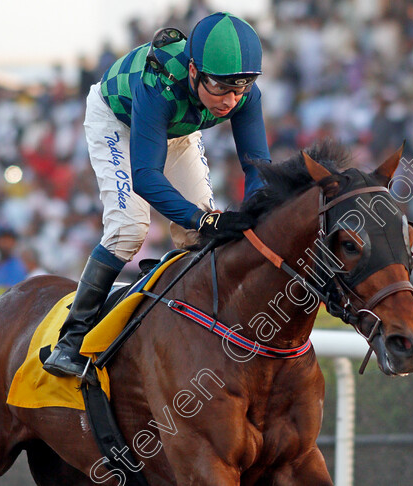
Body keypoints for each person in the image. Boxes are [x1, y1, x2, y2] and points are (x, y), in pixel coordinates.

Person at [44, 12, 271, 378]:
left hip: (174, 128)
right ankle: (70, 341)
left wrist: (257, 213)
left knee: (197, 236)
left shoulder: (244, 94)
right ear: (194, 71)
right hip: (119, 120)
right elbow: (146, 178)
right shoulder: (159, 84)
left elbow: (258, 165)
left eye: (241, 86)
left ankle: (191, 334)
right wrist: (204, 217)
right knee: (130, 228)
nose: (230, 99)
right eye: (221, 86)